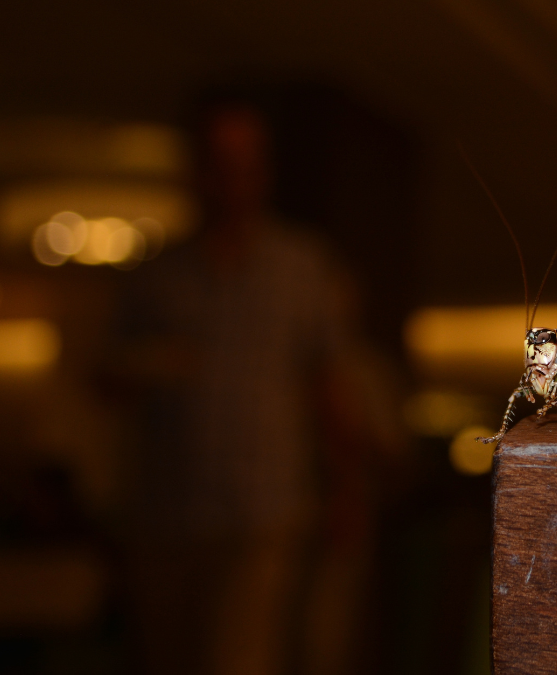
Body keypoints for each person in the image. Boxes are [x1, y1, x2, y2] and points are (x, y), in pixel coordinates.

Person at [116, 94, 396, 675]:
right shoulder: (157, 277)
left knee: (238, 659)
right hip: (167, 514)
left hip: (262, 513)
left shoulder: (299, 267)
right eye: (221, 161)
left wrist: (346, 489)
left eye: (247, 161)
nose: (235, 177)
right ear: (197, 170)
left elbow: (328, 383)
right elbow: (109, 380)